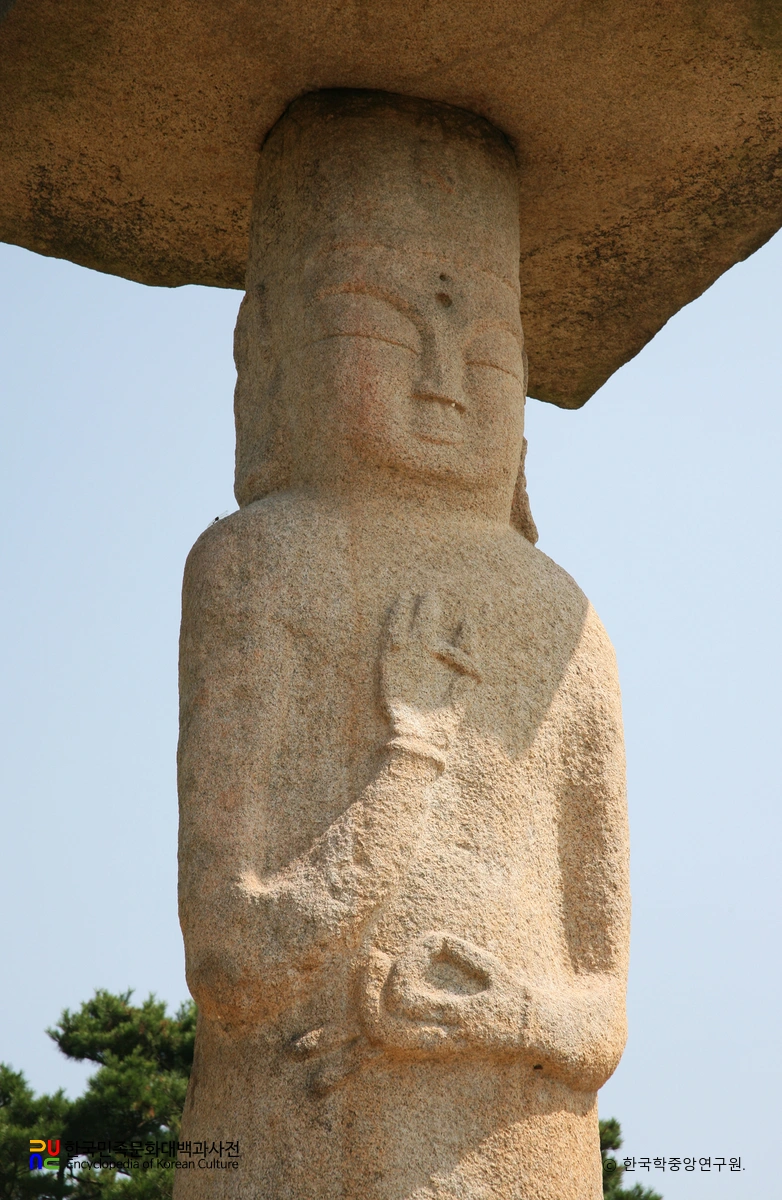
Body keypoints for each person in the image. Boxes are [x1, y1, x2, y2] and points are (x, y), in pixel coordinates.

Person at [176, 90, 629, 1200]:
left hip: (516, 1144)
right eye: (380, 323)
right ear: (270, 350)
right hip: (296, 1135)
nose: (440, 374)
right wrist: (409, 763)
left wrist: (496, 1017)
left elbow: (602, 1009)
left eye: (485, 348)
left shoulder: (563, 620)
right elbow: (231, 960)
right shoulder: (256, 566)